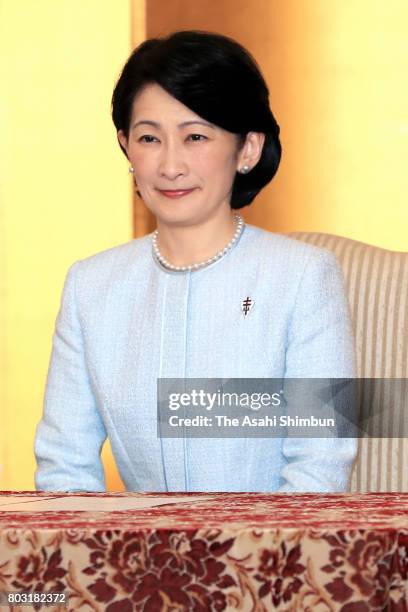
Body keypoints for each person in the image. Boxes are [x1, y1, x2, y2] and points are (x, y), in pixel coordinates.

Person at [34, 30, 357, 493]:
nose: (169, 165)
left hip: (272, 557)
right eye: (149, 138)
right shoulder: (92, 287)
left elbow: (319, 469)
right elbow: (63, 468)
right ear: (126, 146)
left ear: (246, 149)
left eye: (195, 137)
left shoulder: (304, 279)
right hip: (132, 560)